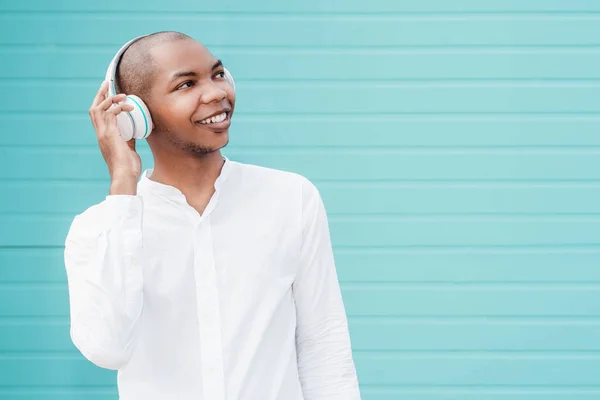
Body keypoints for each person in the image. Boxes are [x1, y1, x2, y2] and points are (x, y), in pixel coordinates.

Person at [63, 30, 361, 400]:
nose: (217, 92)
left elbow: (324, 344)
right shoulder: (99, 228)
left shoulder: (291, 198)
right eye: (187, 84)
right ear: (135, 116)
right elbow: (107, 348)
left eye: (218, 74)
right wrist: (123, 181)